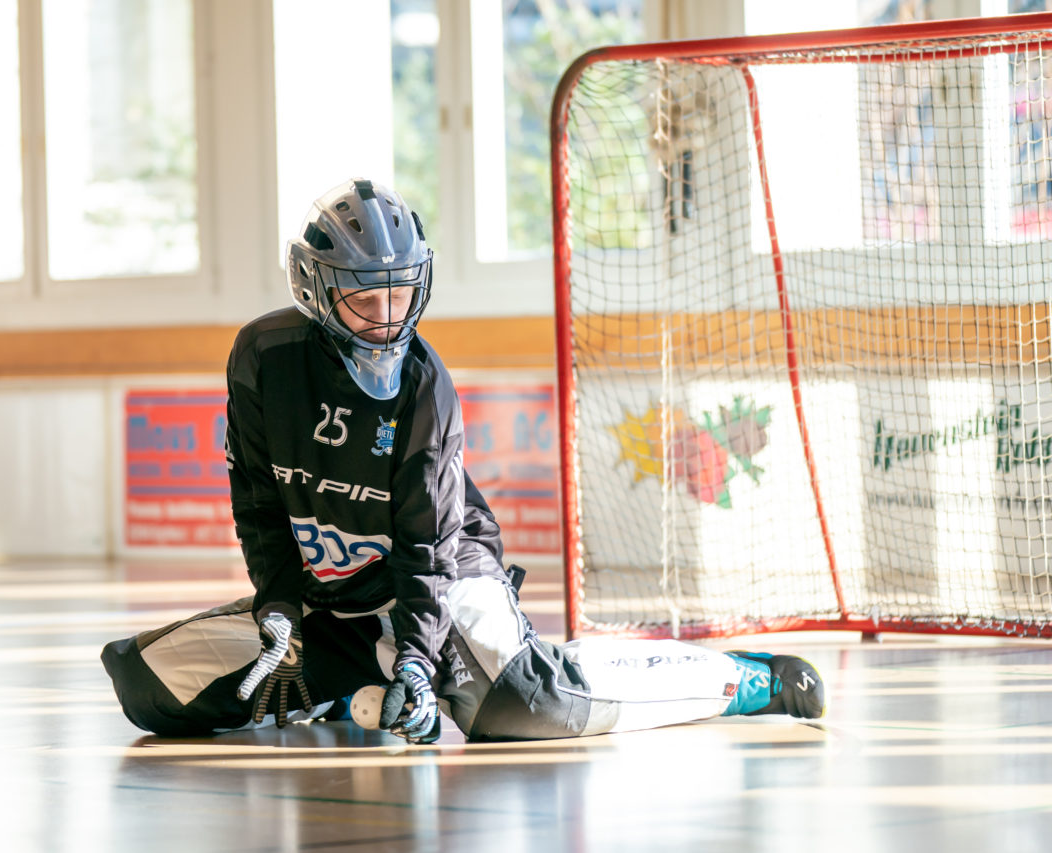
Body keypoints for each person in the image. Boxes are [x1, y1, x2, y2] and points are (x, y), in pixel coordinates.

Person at [101, 178, 825, 743]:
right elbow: (259, 504)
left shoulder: (426, 389)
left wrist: (417, 653)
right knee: (146, 683)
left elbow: (427, 544)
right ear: (315, 291)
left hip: (441, 576)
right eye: (364, 300)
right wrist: (281, 607)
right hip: (331, 604)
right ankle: (353, 682)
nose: (387, 318)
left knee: (532, 704)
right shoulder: (261, 359)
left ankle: (740, 678)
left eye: (400, 295)